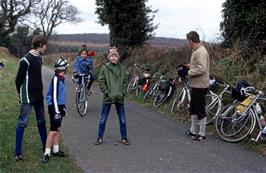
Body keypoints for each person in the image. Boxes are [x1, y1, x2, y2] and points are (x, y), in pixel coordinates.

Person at [14, 35, 48, 161]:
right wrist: (21, 94)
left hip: (39, 96)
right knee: (22, 123)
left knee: (42, 122)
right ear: (39, 45)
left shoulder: (40, 59)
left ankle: (46, 148)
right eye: (45, 45)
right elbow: (18, 80)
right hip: (27, 97)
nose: (46, 48)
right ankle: (17, 152)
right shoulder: (25, 60)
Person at [95, 48, 130, 145]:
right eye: (112, 56)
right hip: (108, 97)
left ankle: (124, 138)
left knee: (122, 119)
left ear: (118, 58)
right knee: (103, 119)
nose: (114, 58)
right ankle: (99, 137)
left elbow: (125, 81)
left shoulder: (122, 68)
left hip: (119, 97)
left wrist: (123, 92)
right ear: (109, 57)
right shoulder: (104, 68)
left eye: (115, 56)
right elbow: (101, 81)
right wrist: (106, 92)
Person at [42, 57, 69, 163]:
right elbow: (53, 97)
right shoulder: (56, 79)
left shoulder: (61, 78)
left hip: (59, 106)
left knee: (57, 129)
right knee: (53, 131)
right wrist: (57, 111)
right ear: (64, 68)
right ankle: (47, 153)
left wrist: (63, 109)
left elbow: (61, 96)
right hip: (54, 107)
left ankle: (56, 150)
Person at [185, 31, 210, 142]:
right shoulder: (196, 50)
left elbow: (202, 69)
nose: (187, 43)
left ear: (191, 40)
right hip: (195, 84)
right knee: (193, 108)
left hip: (200, 85)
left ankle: (202, 134)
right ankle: (193, 130)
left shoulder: (201, 51)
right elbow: (197, 65)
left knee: (200, 109)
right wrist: (188, 66)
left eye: (187, 41)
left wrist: (188, 72)